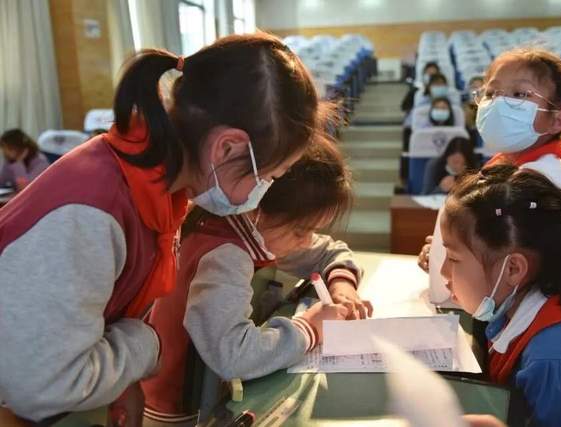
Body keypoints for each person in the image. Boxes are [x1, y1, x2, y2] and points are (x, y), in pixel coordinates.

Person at [0, 33, 330, 423]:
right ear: (226, 148)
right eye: (270, 176)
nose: (264, 192)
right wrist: (147, 346)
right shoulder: (93, 210)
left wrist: (122, 380)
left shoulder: (163, 192)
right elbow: (45, 386)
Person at [140, 140, 370, 424]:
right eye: (301, 230)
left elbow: (329, 251)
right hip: (176, 412)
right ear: (258, 209)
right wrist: (309, 328)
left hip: (200, 395)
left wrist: (342, 285)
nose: (307, 241)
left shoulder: (247, 227)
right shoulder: (227, 254)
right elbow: (233, 355)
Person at [439, 162, 561, 426]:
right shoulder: (523, 308)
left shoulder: (556, 361)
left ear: (513, 269)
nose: (443, 271)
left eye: (453, 258)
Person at [418, 48, 561, 273]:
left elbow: (510, 270)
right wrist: (444, 250)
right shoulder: (502, 162)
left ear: (557, 120)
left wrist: (456, 256)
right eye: (491, 93)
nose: (498, 103)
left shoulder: (548, 184)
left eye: (520, 94)